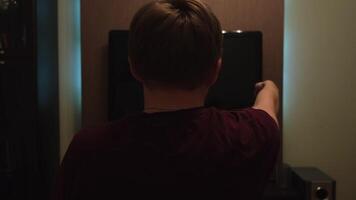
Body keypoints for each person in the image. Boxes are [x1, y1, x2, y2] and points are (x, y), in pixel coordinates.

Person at [53, 0, 280, 199]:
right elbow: (268, 106)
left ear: (133, 67)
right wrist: (267, 88)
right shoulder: (251, 136)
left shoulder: (88, 149)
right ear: (215, 71)